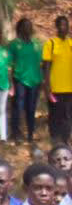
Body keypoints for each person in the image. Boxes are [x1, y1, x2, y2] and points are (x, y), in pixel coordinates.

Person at [10, 18, 46, 148]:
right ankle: (16, 134)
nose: (28, 29)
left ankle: (30, 134)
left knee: (31, 108)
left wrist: (43, 80)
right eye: (25, 26)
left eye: (30, 26)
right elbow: (9, 64)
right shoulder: (14, 44)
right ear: (20, 28)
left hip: (35, 81)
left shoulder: (37, 44)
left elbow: (42, 64)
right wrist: (10, 83)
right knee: (18, 108)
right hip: (19, 80)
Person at [45, 14, 72, 148]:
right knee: (55, 115)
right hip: (55, 87)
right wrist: (47, 86)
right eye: (61, 25)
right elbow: (46, 66)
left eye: (66, 25)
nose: (64, 27)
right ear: (57, 27)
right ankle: (55, 141)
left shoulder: (71, 43)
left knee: (67, 116)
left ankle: (65, 140)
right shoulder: (51, 43)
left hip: (69, 87)